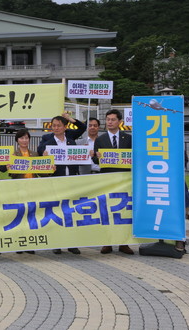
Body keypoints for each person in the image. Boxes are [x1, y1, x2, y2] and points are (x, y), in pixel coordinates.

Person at [37, 113, 86, 255]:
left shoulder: (70, 139)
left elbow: (82, 127)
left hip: (71, 179)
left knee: (71, 211)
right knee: (57, 212)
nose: (56, 128)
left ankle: (71, 243)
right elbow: (40, 151)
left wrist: (70, 119)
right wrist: (44, 154)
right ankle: (57, 243)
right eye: (54, 126)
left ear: (65, 127)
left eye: (59, 125)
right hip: (56, 180)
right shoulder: (47, 139)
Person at [93, 109, 134, 255]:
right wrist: (96, 156)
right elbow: (95, 160)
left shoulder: (128, 138)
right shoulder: (100, 139)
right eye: (108, 119)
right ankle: (107, 242)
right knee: (107, 211)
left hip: (124, 180)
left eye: (113, 119)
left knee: (124, 211)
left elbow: (133, 157)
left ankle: (124, 243)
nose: (110, 122)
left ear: (120, 122)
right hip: (107, 180)